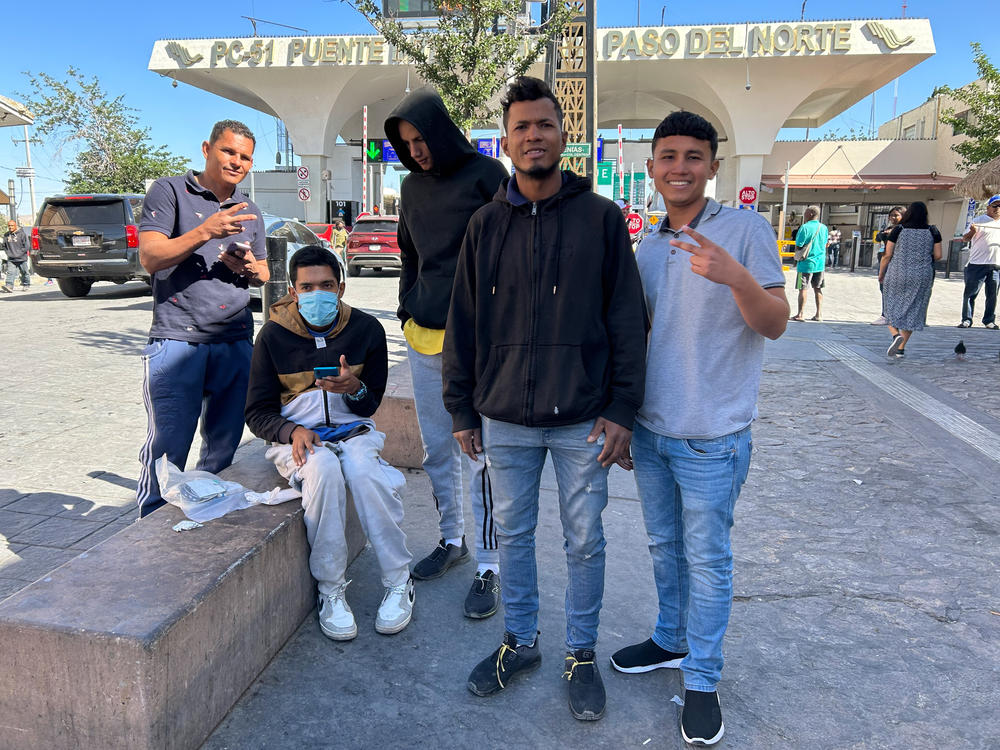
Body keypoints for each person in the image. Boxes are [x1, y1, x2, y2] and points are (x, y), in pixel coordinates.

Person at [443, 76, 648, 721]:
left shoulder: (601, 219)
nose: (532, 136)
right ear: (505, 141)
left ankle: (580, 653)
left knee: (584, 541)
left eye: (543, 125)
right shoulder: (484, 225)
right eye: (520, 127)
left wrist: (622, 409)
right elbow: (464, 321)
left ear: (564, 134)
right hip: (503, 417)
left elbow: (626, 319)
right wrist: (460, 408)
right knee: (516, 536)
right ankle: (521, 642)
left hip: (583, 419)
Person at [610, 111, 788, 747]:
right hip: (654, 432)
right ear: (652, 167)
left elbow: (775, 322)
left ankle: (703, 679)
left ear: (713, 166)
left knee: (708, 561)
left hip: (714, 435)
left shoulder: (744, 229)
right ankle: (670, 638)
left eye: (693, 156)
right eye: (668, 156)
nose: (679, 167)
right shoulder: (649, 245)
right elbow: (639, 338)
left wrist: (735, 276)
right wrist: (627, 420)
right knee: (664, 546)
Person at [245, 244, 414, 640]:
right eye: (307, 287)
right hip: (298, 440)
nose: (316, 294)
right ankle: (331, 589)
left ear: (340, 287)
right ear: (292, 289)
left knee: (364, 473)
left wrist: (355, 388)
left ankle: (398, 580)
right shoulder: (272, 336)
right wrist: (292, 432)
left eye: (326, 285)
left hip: (352, 431)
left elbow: (369, 405)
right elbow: (256, 412)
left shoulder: (366, 329)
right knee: (323, 473)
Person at [385, 87, 509, 618]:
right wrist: (407, 306)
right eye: (407, 143)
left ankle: (490, 565)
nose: (416, 151)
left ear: (441, 130)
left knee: (478, 453)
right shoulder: (411, 188)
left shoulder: (488, 176)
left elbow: (511, 255)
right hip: (424, 335)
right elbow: (409, 252)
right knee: (438, 448)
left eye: (422, 138)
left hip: (479, 341)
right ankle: (451, 540)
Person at [136, 120, 270, 517]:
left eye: (245, 157)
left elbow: (263, 273)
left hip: (234, 341)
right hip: (178, 340)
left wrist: (246, 265)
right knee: (168, 448)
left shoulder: (249, 209)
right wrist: (206, 231)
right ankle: (148, 532)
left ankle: (204, 522)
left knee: (225, 447)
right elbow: (150, 256)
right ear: (207, 148)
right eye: (229, 152)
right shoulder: (170, 191)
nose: (237, 162)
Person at [879, 201, 942, 357]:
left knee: (890, 305)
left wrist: (881, 273)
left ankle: (895, 334)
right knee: (914, 309)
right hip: (922, 275)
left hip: (897, 272)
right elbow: (939, 255)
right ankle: (901, 348)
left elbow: (887, 255)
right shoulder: (933, 230)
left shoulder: (898, 230)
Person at [957, 194, 1000, 329]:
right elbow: (965, 238)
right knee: (970, 294)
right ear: (988, 207)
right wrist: (972, 232)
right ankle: (967, 319)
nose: (997, 209)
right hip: (976, 264)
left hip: (996, 265)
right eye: (995, 206)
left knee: (992, 295)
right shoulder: (978, 220)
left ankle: (989, 320)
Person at [789, 205, 827, 322]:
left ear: (810, 214)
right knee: (818, 288)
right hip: (820, 263)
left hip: (805, 263)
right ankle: (818, 314)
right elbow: (825, 243)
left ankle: (800, 314)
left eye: (805, 212)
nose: (804, 215)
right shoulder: (823, 228)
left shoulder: (804, 228)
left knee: (803, 288)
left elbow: (799, 244)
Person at [872, 206, 904, 325]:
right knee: (884, 289)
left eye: (896, 215)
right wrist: (883, 234)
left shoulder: (904, 230)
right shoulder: (889, 228)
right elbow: (878, 238)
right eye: (891, 216)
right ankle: (886, 314)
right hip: (885, 262)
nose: (893, 218)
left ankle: (895, 315)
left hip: (897, 263)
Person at [2, 219, 31, 292]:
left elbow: (27, 246)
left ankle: (26, 284)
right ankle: (9, 286)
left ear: (15, 226)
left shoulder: (22, 234)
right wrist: (8, 253)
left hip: (22, 258)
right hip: (11, 258)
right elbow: (4, 246)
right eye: (9, 226)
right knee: (10, 272)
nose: (10, 227)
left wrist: (19, 253)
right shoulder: (6, 235)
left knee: (24, 272)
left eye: (12, 225)